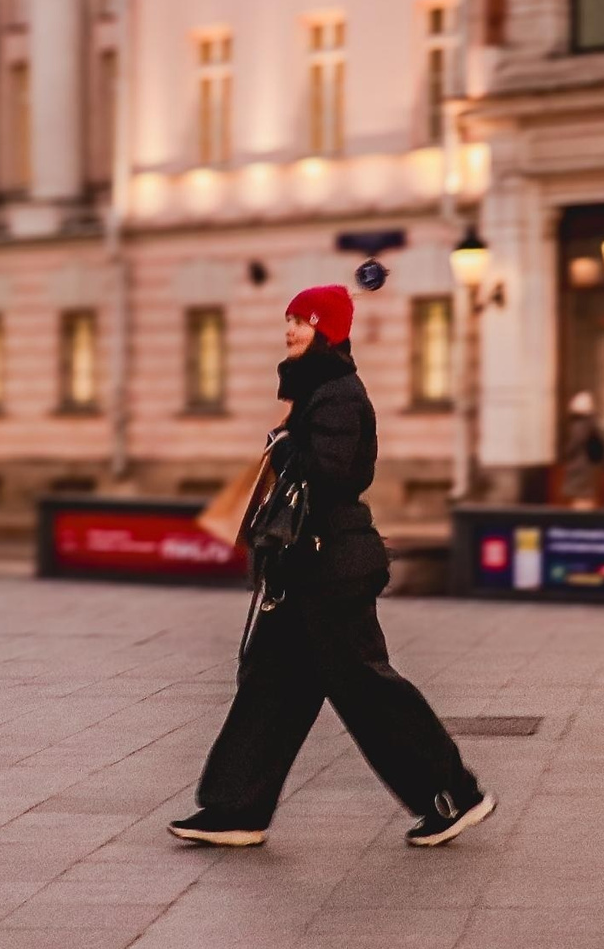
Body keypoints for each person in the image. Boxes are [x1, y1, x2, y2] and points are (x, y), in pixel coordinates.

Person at [170, 284, 491, 851]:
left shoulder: (338, 392)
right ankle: (235, 810)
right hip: (304, 568)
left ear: (329, 330)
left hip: (330, 568)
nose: (291, 328)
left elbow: (341, 474)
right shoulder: (315, 388)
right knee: (269, 685)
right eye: (290, 319)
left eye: (303, 320)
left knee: (367, 688)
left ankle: (453, 795)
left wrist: (289, 445)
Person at [559, 392, 604, 507]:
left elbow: (575, 443)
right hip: (588, 464)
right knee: (586, 494)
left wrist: (566, 452)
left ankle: (581, 519)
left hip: (580, 465)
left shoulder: (580, 425)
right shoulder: (592, 423)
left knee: (579, 494)